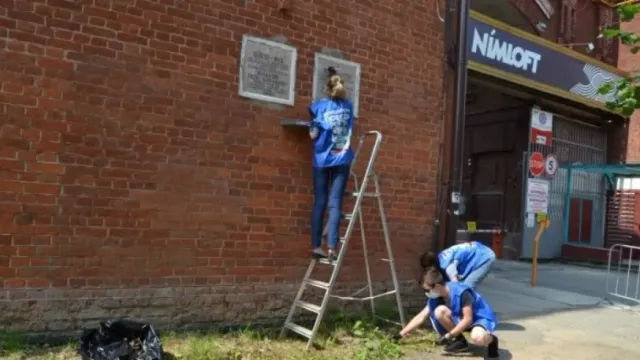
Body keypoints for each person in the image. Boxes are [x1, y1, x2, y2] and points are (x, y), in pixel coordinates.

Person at [394, 267, 499, 358]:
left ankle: (492, 340)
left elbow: (468, 319)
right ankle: (460, 341)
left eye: (427, 290)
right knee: (439, 311)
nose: (426, 293)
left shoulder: (462, 293)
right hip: (461, 319)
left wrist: (448, 336)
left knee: (478, 337)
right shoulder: (437, 296)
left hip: (478, 319)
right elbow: (421, 316)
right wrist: (400, 334)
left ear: (437, 287)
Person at [308, 67, 355, 260]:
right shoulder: (348, 107)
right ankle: (332, 248)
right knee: (335, 205)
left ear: (326, 88)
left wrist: (313, 126)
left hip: (321, 160)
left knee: (320, 202)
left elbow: (313, 135)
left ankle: (316, 246)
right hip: (342, 158)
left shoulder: (318, 107)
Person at [420, 239, 496, 289]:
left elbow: (456, 286)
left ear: (433, 266)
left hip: (485, 256)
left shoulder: (448, 267)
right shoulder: (441, 257)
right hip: (479, 250)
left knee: (467, 287)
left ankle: (470, 311)